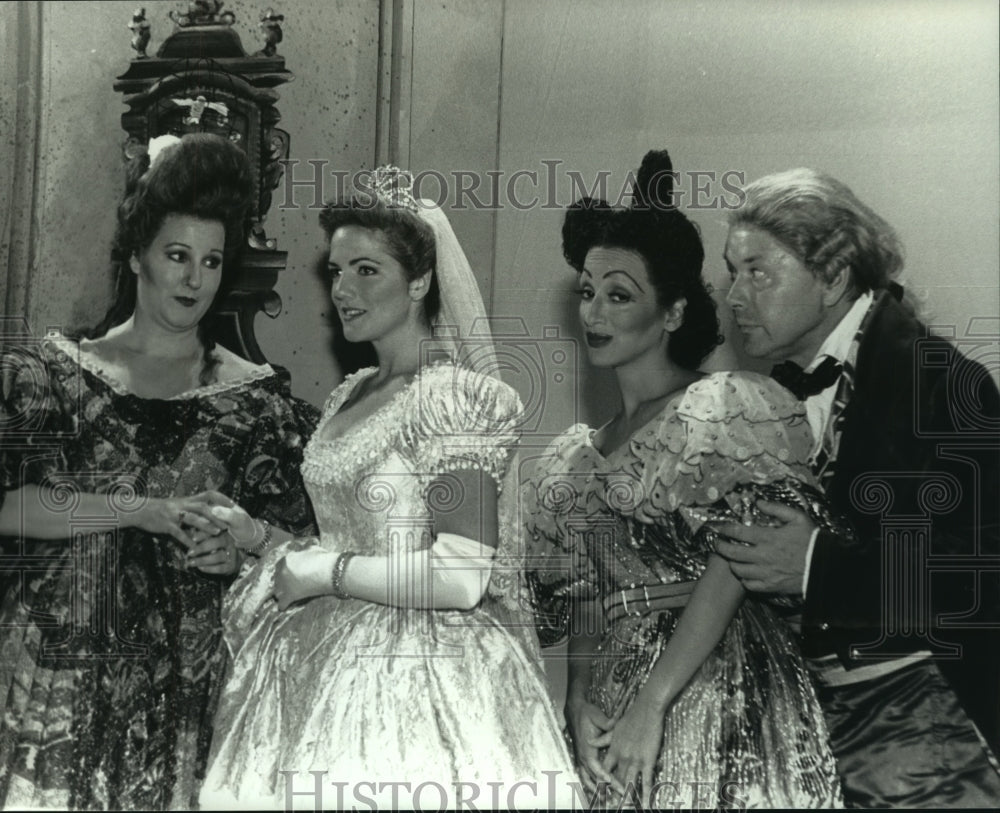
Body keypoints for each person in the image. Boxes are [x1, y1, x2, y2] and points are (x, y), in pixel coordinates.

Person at [199, 167, 576, 810]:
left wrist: (326, 573)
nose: (342, 289)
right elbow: (350, 540)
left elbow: (461, 575)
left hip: (424, 676)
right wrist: (260, 538)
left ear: (421, 281)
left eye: (366, 271)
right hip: (319, 658)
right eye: (337, 271)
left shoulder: (454, 399)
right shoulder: (353, 392)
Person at [0, 133, 318, 809]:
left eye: (210, 260)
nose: (193, 279)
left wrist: (235, 550)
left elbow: (297, 547)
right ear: (139, 253)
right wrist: (135, 509)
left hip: (193, 680)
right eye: (177, 255)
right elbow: (11, 506)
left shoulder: (257, 401)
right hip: (64, 671)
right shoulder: (54, 375)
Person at [523, 149, 843, 809]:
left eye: (619, 296)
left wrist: (656, 702)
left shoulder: (725, 410)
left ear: (670, 313)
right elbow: (586, 592)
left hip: (714, 679)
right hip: (615, 684)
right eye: (587, 292)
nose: (595, 314)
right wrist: (578, 699)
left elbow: (738, 559)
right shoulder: (576, 456)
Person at [715, 167, 1000, 807]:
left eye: (758, 271)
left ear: (835, 275)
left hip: (924, 733)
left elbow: (983, 572)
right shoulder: (772, 397)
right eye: (732, 272)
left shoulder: (944, 382)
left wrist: (818, 565)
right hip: (806, 732)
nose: (734, 296)